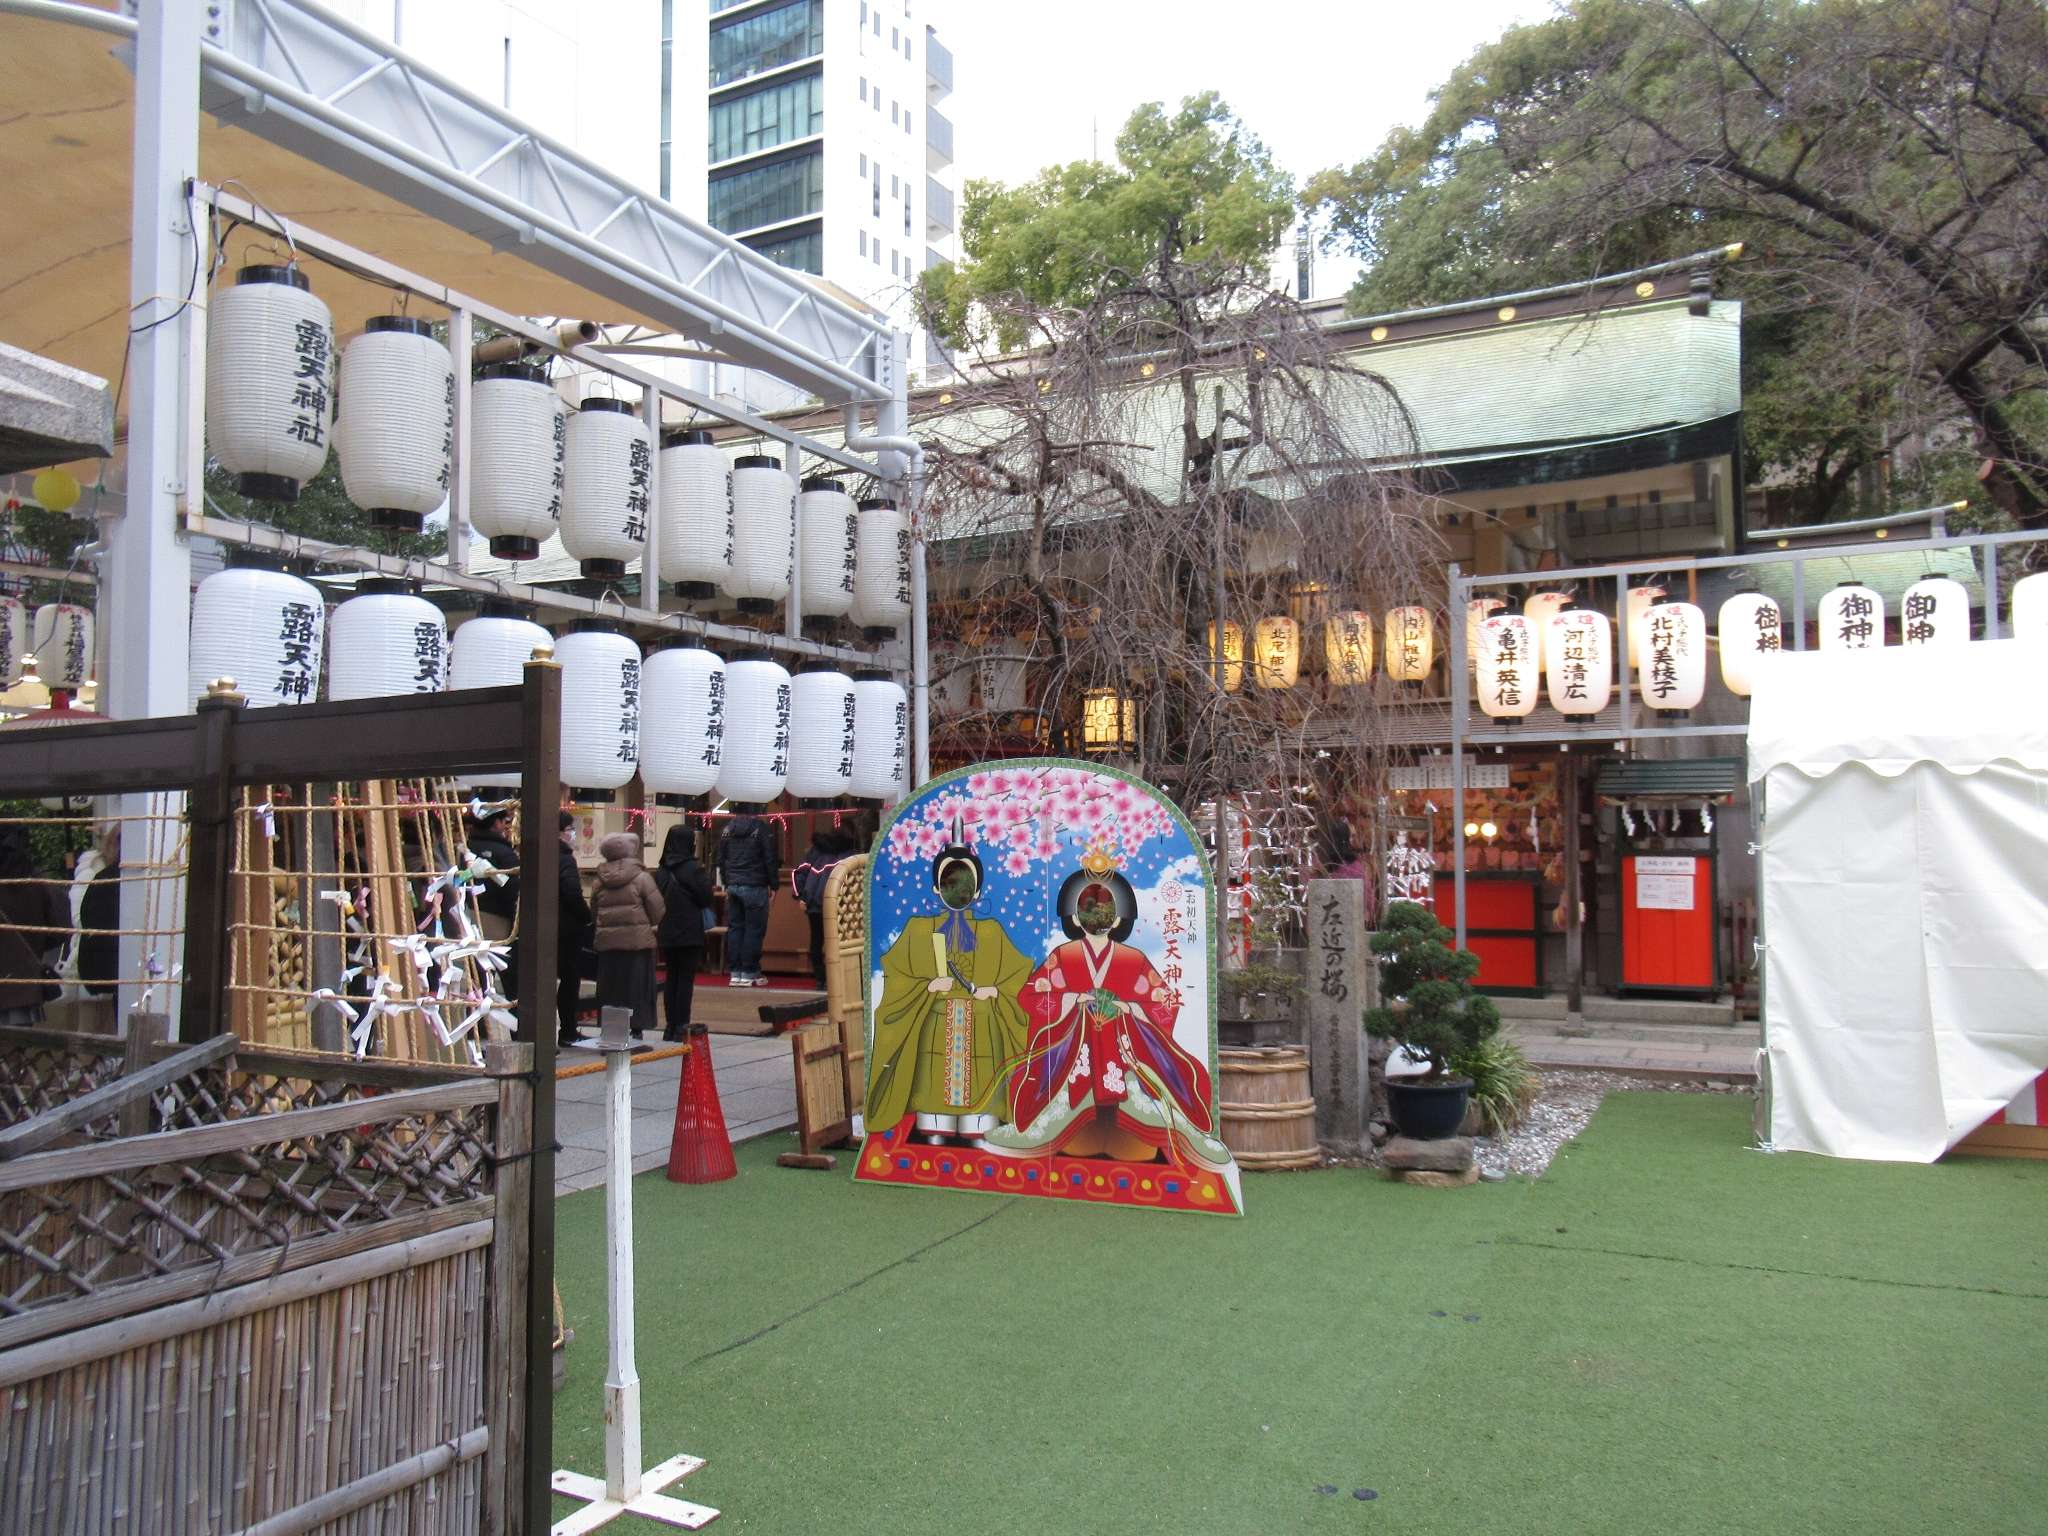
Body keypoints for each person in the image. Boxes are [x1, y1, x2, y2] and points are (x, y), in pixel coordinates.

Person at [984, 852, 1231, 1170]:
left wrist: (1128, 1007)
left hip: (1126, 1051)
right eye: (1088, 908)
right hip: (1073, 1052)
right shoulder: (1064, 955)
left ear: (1118, 918)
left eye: (1105, 910)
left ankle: (1164, 1127)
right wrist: (1073, 1000)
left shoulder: (1133, 959)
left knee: (1147, 1089)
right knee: (1064, 1081)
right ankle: (1055, 1123)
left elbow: (1162, 1002)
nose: (1096, 917)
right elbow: (1031, 997)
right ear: (1074, 917)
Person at [866, 819, 1033, 1146]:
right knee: (934, 1119)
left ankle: (978, 1131)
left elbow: (1019, 977)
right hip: (935, 1025)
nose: (958, 891)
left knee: (978, 1123)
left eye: (965, 883)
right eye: (950, 882)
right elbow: (896, 977)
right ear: (935, 887)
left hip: (983, 1028)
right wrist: (926, 987)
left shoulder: (992, 933)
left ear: (979, 890)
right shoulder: (918, 930)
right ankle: (933, 1138)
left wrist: (996, 991)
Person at [591, 831, 664, 1040]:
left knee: (610, 989)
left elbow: (594, 912)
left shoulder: (599, 881)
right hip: (637, 943)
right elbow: (657, 909)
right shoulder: (642, 878)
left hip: (607, 944)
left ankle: (612, 1030)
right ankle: (637, 1028)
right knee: (637, 987)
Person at [0, 826, 67, 1029]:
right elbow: (59, 930)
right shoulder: (38, 883)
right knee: (18, 1055)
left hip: (18, 986)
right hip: (25, 987)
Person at [653, 824, 714, 1042]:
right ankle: (681, 1025)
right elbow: (706, 898)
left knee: (671, 977)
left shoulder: (661, 871)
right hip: (689, 931)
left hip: (667, 929)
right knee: (685, 979)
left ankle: (670, 1026)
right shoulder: (693, 869)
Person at [717, 804, 779, 987]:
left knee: (735, 928)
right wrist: (773, 884)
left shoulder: (726, 830)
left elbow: (720, 860)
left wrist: (727, 882)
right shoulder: (761, 829)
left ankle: (735, 972)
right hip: (755, 885)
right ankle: (750, 971)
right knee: (754, 929)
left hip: (733, 886)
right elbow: (769, 858)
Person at [792, 825, 851, 989]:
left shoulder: (816, 851)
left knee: (816, 942)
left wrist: (800, 897)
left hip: (813, 903)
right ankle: (837, 979)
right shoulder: (849, 854)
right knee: (839, 942)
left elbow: (799, 872)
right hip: (839, 904)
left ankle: (821, 979)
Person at [556, 811, 594, 1049]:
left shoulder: (534, 852)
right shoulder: (565, 858)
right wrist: (586, 916)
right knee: (569, 979)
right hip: (567, 928)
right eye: (570, 828)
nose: (573, 833)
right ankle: (568, 1029)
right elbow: (571, 892)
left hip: (543, 926)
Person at [465, 807, 521, 943]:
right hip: (497, 916)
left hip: (467, 912)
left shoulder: (466, 847)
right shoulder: (504, 852)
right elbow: (513, 888)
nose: (505, 826)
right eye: (504, 822)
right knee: (494, 957)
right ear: (496, 823)